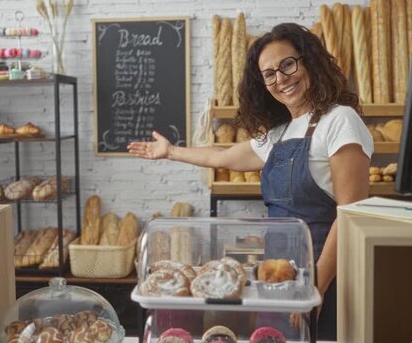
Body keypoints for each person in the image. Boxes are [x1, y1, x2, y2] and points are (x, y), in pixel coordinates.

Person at [128, 22, 373, 340]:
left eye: (288, 64)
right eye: (269, 74)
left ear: (309, 61)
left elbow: (350, 213)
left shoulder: (339, 120)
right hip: (280, 280)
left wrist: (316, 289)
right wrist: (170, 151)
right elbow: (224, 157)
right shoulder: (282, 133)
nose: (281, 79)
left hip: (329, 280)